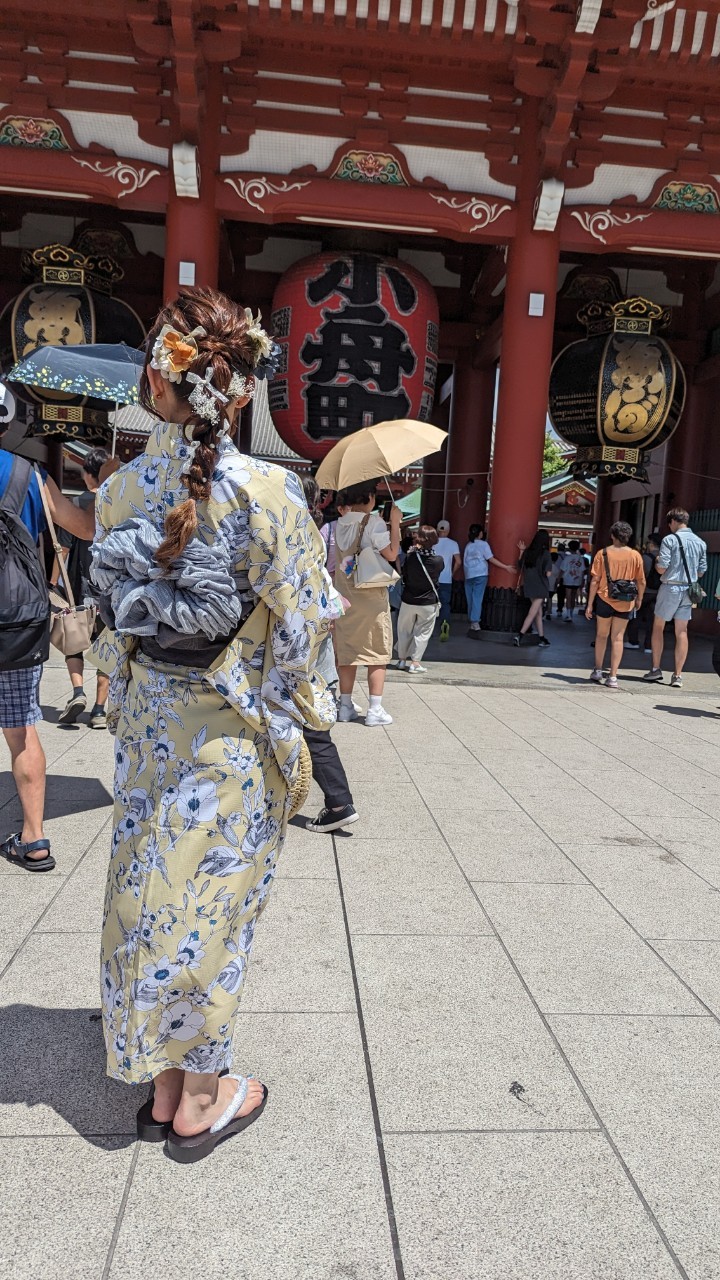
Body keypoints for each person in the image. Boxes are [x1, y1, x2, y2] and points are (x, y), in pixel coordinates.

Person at [89, 288, 335, 1162]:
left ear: (158, 385)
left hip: (152, 719)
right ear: (239, 392)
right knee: (216, 905)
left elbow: (112, 619)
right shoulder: (271, 492)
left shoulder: (120, 488)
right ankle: (202, 1097)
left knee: (150, 891)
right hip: (231, 730)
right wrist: (304, 721)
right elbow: (303, 629)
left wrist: (121, 695)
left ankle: (161, 1078)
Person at [0, 430, 95, 872]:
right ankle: (35, 839)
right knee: (22, 730)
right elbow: (85, 528)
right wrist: (105, 486)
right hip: (16, 620)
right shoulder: (30, 475)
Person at [300, 477, 359, 834]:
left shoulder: (295, 529)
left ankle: (338, 802)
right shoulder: (317, 529)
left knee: (307, 724)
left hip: (297, 635)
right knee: (313, 725)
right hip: (318, 630)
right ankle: (337, 800)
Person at [334, 481, 401, 727]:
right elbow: (392, 553)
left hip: (345, 596)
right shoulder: (373, 522)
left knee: (348, 652)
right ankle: (375, 708)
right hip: (371, 596)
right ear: (370, 497)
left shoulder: (340, 523)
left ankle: (345, 705)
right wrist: (394, 522)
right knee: (376, 652)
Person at [56, 447, 111, 728]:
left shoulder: (78, 504)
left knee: (72, 642)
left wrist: (52, 583)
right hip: (112, 593)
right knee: (106, 648)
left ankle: (78, 692)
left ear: (90, 476)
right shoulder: (118, 503)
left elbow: (63, 548)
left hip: (81, 588)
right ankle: (100, 711)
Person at [644, 507, 707, 688]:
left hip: (670, 588)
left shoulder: (670, 540)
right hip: (689, 590)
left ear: (672, 521)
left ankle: (656, 669)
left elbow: (662, 568)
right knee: (682, 631)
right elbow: (701, 572)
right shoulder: (700, 542)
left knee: (658, 627)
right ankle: (678, 675)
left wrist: (657, 564)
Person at [586, 520, 645, 689]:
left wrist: (590, 604)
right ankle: (612, 676)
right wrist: (639, 598)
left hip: (604, 598)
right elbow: (640, 581)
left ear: (612, 535)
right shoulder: (635, 555)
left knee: (601, 635)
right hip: (626, 601)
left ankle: (597, 670)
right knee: (618, 638)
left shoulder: (602, 553)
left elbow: (595, 580)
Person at [397, 525, 444, 673]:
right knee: (422, 633)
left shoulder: (411, 557)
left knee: (404, 630)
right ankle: (415, 662)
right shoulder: (438, 560)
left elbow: (405, 573)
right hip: (428, 601)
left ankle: (401, 660)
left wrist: (414, 550)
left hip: (408, 599)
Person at [462, 523, 514, 632]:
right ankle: (475, 622)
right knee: (477, 598)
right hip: (480, 573)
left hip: (468, 574)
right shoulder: (484, 544)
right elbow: (491, 559)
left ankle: (471, 620)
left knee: (470, 598)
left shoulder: (468, 545)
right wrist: (505, 567)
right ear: (480, 533)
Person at [514, 531, 552, 647]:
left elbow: (520, 565)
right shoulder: (545, 554)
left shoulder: (527, 552)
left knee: (538, 612)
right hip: (541, 586)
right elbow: (548, 573)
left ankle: (542, 637)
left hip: (529, 585)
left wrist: (521, 551)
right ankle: (520, 635)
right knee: (533, 612)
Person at [626, 534, 661, 652]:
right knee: (653, 620)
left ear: (651, 544)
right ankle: (649, 646)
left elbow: (639, 577)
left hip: (643, 592)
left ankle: (633, 641)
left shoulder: (644, 558)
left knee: (636, 616)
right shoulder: (664, 558)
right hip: (658, 592)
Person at [435, 518, 460, 641]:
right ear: (449, 530)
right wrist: (452, 572)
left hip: (432, 579)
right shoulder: (453, 544)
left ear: (437, 530)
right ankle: (444, 624)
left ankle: (426, 628)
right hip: (446, 579)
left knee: (430, 604)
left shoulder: (432, 543)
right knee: (445, 604)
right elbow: (458, 562)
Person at [560, 539, 586, 622]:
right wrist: (582, 580)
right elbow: (582, 570)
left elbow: (562, 569)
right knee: (573, 597)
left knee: (568, 597)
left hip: (568, 579)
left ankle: (568, 615)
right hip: (577, 579)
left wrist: (558, 578)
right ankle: (571, 613)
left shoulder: (567, 558)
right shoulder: (580, 559)